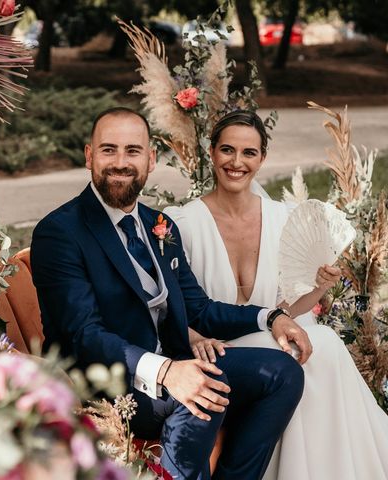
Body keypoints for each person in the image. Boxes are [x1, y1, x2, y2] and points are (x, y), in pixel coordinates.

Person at [31, 107, 308, 480]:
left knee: (282, 373)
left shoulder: (157, 224)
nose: (120, 163)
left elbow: (199, 309)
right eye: (108, 150)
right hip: (111, 386)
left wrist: (270, 317)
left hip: (175, 364)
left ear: (151, 158)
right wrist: (166, 372)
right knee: (201, 394)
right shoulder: (60, 232)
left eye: (132, 151)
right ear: (88, 156)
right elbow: (84, 335)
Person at [165, 109, 388, 480]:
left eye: (249, 153)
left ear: (262, 158)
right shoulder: (183, 223)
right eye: (227, 150)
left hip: (270, 334)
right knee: (321, 345)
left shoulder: (282, 217)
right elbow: (169, 304)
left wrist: (318, 286)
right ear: (211, 152)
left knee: (320, 342)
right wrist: (192, 336)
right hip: (222, 349)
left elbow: (285, 312)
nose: (237, 162)